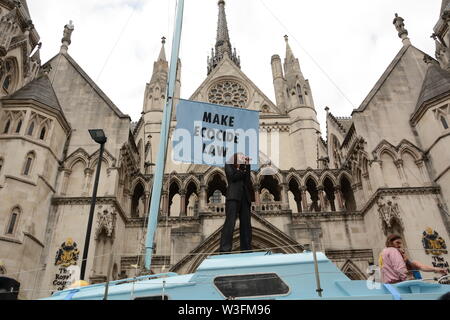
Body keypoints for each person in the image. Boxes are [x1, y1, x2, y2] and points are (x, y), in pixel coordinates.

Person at [219, 153, 255, 253]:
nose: (243, 158)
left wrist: (247, 166)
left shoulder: (243, 169)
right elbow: (233, 177)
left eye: (243, 157)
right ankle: (225, 249)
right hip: (233, 196)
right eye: (241, 157)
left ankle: (246, 249)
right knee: (230, 223)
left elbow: (247, 181)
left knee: (246, 224)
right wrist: (241, 169)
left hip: (244, 197)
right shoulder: (228, 165)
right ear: (235, 158)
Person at [379, 234, 447, 284]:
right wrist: (408, 281)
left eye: (400, 243)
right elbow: (400, 268)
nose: (399, 245)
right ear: (390, 242)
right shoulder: (393, 250)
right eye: (397, 242)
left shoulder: (382, 253)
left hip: (388, 286)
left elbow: (419, 266)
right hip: (400, 285)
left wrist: (436, 269)